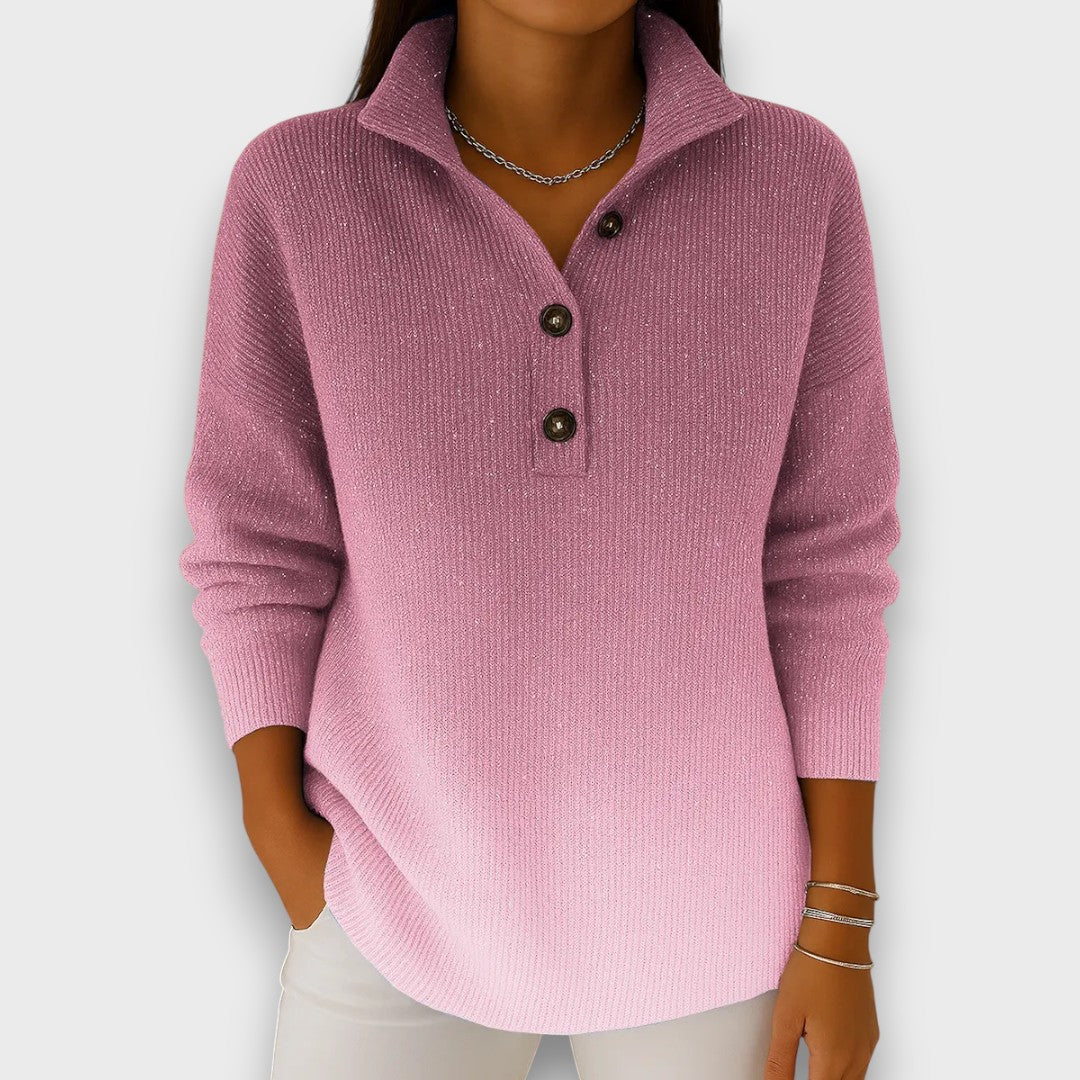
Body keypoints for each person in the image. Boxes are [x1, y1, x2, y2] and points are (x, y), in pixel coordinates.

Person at [178, 1, 901, 1077]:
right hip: (386, 901)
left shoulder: (796, 179)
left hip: (722, 920)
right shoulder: (299, 188)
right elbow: (258, 542)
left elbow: (826, 564)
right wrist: (283, 841)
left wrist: (840, 920)